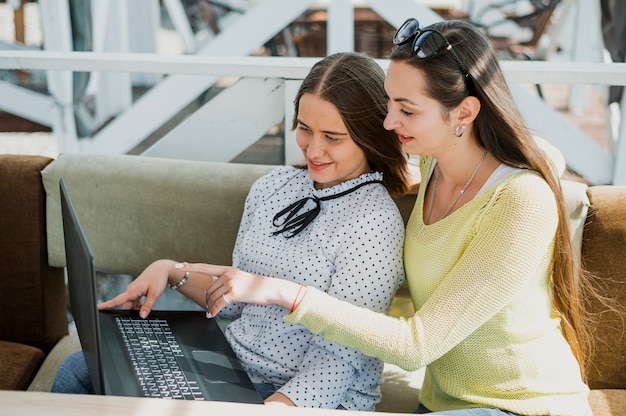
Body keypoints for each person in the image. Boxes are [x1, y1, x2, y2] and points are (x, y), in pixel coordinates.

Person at [185, 19, 603, 415]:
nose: (388, 122)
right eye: (390, 103)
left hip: (522, 405)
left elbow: (414, 347)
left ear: (464, 112)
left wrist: (283, 292)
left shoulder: (521, 202)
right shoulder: (431, 166)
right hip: (443, 403)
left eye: (406, 109)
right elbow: (539, 152)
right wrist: (177, 272)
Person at [51, 51, 410, 410]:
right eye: (304, 129)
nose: (314, 149)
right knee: (79, 370)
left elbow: (340, 360)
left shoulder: (373, 222)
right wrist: (171, 271)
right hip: (234, 368)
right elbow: (232, 306)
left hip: (304, 396)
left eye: (333, 137)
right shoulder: (274, 187)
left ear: (370, 135)